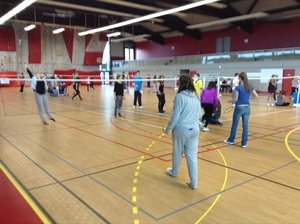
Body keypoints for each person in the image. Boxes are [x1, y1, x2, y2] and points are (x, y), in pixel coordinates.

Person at [163, 74, 200, 190]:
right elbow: (199, 114)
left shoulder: (179, 97)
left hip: (181, 130)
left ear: (181, 84)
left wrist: (168, 129)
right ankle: (194, 182)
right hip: (194, 130)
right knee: (192, 156)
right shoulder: (196, 96)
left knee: (177, 151)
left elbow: (175, 117)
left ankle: (174, 171)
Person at [224, 72, 258, 148]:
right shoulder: (250, 86)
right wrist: (248, 98)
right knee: (245, 126)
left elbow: (235, 99)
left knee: (235, 124)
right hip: (247, 107)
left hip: (239, 107)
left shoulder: (238, 88)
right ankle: (244, 143)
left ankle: (231, 140)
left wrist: (231, 101)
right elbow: (256, 96)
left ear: (240, 78)